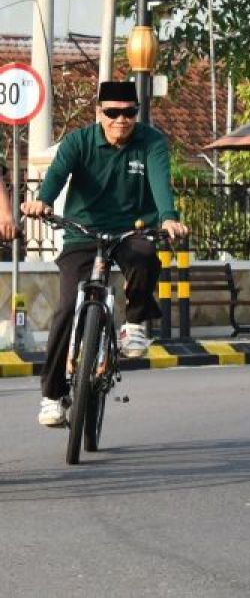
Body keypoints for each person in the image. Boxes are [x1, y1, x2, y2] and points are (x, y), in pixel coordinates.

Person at [23, 81, 188, 427]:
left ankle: (133, 323)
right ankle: (52, 396)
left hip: (132, 230)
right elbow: (55, 177)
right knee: (67, 308)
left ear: (136, 113)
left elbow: (161, 183)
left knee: (145, 257)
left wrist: (169, 217)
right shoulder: (79, 142)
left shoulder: (151, 143)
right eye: (112, 113)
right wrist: (43, 201)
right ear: (98, 113)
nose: (120, 120)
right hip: (82, 232)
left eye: (128, 113)